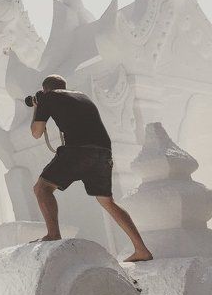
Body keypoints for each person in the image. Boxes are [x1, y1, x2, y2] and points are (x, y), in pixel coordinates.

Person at [30, 74, 153, 262]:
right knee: (107, 201)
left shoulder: (48, 97)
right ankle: (141, 249)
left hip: (77, 150)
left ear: (45, 89)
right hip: (103, 153)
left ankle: (53, 233)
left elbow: (36, 133)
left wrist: (38, 106)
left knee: (42, 188)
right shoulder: (82, 96)